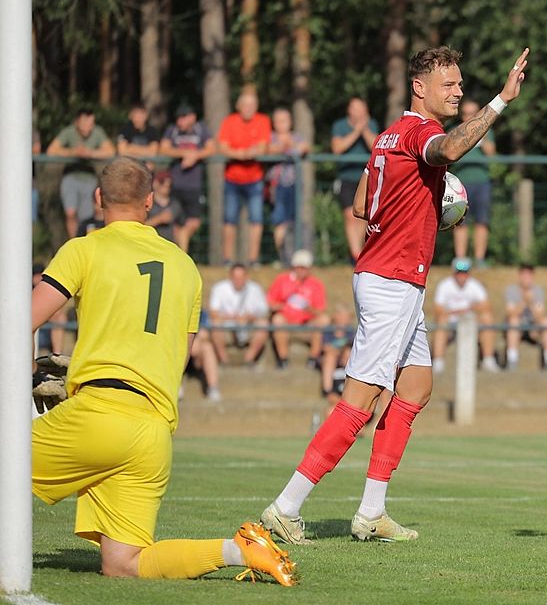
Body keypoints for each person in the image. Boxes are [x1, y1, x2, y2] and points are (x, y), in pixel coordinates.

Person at [258, 45, 528, 546]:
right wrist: (501, 101)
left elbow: (362, 205)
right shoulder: (423, 134)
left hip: (390, 275)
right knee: (360, 399)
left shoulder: (387, 137)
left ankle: (371, 512)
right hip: (392, 280)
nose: (459, 91)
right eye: (450, 85)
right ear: (419, 88)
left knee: (417, 386)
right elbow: (448, 151)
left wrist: (421, 209)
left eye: (461, 84)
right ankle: (285, 506)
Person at [29, 157, 295, 585]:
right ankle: (239, 549)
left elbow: (22, 321)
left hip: (100, 411)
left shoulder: (84, 248)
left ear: (98, 199)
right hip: (153, 431)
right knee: (123, 565)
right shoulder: (186, 266)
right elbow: (181, 353)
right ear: (150, 202)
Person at [218, 89, 272, 265]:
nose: (249, 108)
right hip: (232, 178)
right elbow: (223, 147)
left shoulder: (263, 120)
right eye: (246, 104)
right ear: (238, 106)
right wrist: (242, 154)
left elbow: (262, 148)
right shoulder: (229, 122)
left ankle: (253, 259)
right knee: (229, 219)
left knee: (256, 220)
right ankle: (227, 259)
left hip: (255, 178)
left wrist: (240, 153)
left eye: (252, 105)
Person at [47, 108, 116, 238]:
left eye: (91, 124)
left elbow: (111, 151)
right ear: (77, 122)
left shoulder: (97, 132)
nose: (88, 127)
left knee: (86, 217)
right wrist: (73, 152)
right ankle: (73, 242)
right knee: (70, 213)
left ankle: (85, 244)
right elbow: (52, 150)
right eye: (85, 123)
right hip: (71, 177)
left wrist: (90, 153)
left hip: (88, 178)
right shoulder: (68, 132)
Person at [159, 104, 216, 253]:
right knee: (176, 222)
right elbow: (164, 148)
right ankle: (181, 253)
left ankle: (181, 252)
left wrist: (195, 155)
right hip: (176, 184)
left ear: (192, 117)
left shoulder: (201, 129)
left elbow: (211, 148)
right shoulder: (172, 130)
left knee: (194, 222)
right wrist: (185, 153)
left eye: (183, 118)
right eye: (178, 118)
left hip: (194, 185)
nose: (180, 122)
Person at [331, 97, 379, 263]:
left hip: (367, 177)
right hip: (347, 177)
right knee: (349, 214)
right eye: (355, 108)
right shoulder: (339, 125)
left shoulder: (371, 124)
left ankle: (359, 253)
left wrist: (364, 130)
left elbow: (377, 146)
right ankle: (355, 254)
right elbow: (337, 148)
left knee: (363, 215)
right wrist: (356, 131)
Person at [432, 257, 500, 374]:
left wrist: (463, 310)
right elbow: (438, 310)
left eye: (464, 273)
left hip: (470, 321)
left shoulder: (474, 285)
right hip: (450, 323)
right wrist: (466, 310)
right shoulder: (445, 285)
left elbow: (487, 306)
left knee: (487, 318)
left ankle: (488, 359)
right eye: (459, 273)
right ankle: (438, 361)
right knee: (441, 321)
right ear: (454, 273)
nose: (462, 276)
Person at [450, 98, 496, 265]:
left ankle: (479, 259)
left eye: (473, 113)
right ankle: (461, 259)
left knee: (481, 221)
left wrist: (481, 136)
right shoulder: (454, 130)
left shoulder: (486, 130)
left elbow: (492, 153)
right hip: (459, 184)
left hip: (482, 181)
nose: (469, 117)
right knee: (460, 222)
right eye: (466, 114)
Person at [266, 249, 329, 369]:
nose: (300, 271)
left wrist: (307, 308)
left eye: (304, 268)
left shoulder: (316, 284)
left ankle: (313, 358)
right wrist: (284, 305)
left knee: (323, 320)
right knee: (278, 320)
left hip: (307, 324)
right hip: (286, 322)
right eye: (298, 267)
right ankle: (283, 359)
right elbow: (270, 303)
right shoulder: (282, 280)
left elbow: (320, 311)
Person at [267, 107, 310, 266]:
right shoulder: (271, 137)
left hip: (294, 185)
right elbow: (269, 150)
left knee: (294, 221)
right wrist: (283, 147)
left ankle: (293, 257)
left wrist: (289, 144)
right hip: (277, 186)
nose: (280, 124)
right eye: (277, 121)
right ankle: (282, 257)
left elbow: (304, 148)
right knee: (280, 221)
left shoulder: (296, 137)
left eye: (283, 120)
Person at [207, 263, 270, 367]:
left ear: (247, 277)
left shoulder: (255, 289)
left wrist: (249, 317)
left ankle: (248, 360)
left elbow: (264, 311)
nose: (238, 281)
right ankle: (224, 361)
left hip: (249, 323)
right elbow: (213, 312)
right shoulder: (219, 288)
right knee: (215, 323)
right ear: (230, 277)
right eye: (235, 278)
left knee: (264, 324)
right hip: (226, 322)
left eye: (241, 277)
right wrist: (232, 317)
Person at [504, 263, 547, 370]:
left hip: (533, 326)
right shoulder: (511, 291)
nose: (526, 279)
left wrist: (531, 303)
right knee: (514, 321)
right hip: (517, 326)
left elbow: (540, 314)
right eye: (524, 275)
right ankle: (512, 361)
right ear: (519, 276)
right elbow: (511, 313)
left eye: (529, 276)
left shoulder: (538, 291)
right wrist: (524, 301)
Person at [321, 305, 355, 407]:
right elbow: (325, 347)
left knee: (348, 353)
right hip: (332, 359)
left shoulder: (351, 332)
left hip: (345, 358)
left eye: (345, 318)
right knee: (330, 357)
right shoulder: (329, 331)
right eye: (340, 317)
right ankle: (327, 390)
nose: (342, 320)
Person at [145, 172, 183, 243]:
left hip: (170, 247)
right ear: (155, 183)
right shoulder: (146, 202)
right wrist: (159, 219)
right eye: (162, 181)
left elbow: (180, 227)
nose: (167, 184)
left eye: (170, 183)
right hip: (151, 244)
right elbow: (141, 226)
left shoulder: (175, 204)